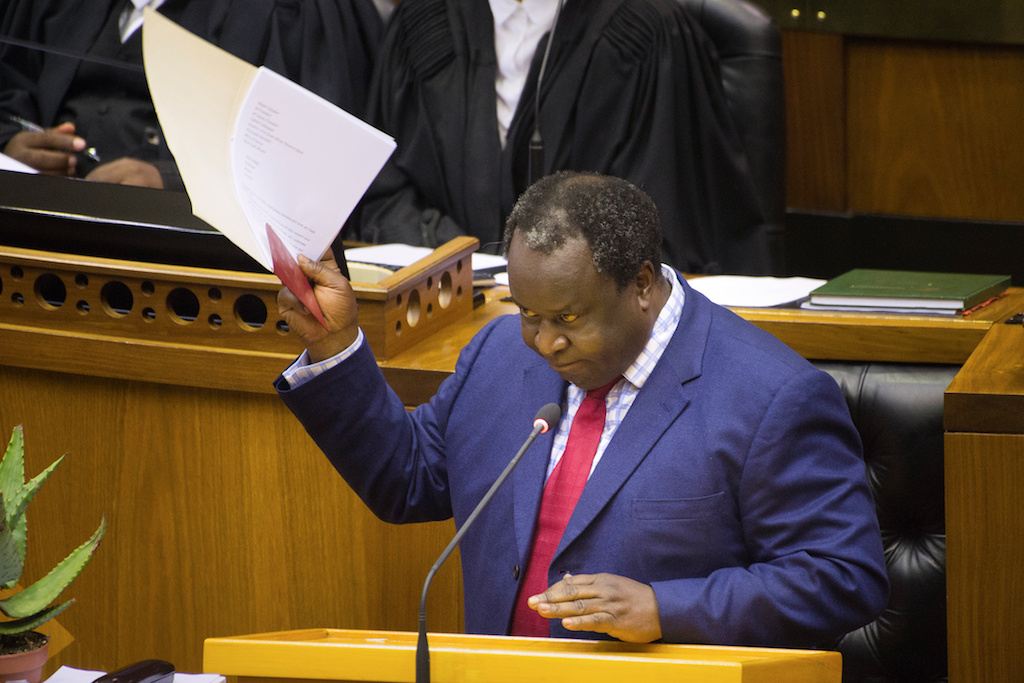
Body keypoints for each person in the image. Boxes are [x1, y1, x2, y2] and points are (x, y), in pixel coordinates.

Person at [274, 171, 889, 647]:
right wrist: (334, 345)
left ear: (641, 284)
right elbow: (406, 480)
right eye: (529, 314)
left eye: (568, 319)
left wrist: (664, 608)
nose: (545, 343)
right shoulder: (497, 354)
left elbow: (843, 576)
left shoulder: (771, 396)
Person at [351, 0, 771, 275]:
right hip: (442, 314)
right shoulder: (422, 23)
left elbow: (658, 221)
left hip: (590, 337)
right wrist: (460, 258)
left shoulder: (644, 33)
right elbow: (380, 191)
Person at [0, 0, 383, 189]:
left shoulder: (293, 11)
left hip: (196, 269)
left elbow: (313, 168)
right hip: (42, 238)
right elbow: (10, 91)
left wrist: (168, 182)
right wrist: (11, 145)